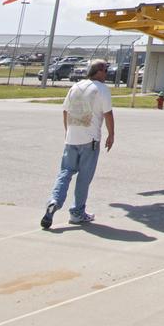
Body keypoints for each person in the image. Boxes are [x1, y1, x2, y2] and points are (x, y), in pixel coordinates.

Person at [40, 59, 114, 229]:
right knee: (84, 178)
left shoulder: (75, 87)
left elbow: (65, 110)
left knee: (65, 172)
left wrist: (67, 131)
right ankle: (77, 213)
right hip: (90, 140)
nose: (107, 72)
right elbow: (108, 114)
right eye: (105, 69)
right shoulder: (102, 89)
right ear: (99, 71)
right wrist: (111, 134)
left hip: (72, 138)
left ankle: (54, 201)